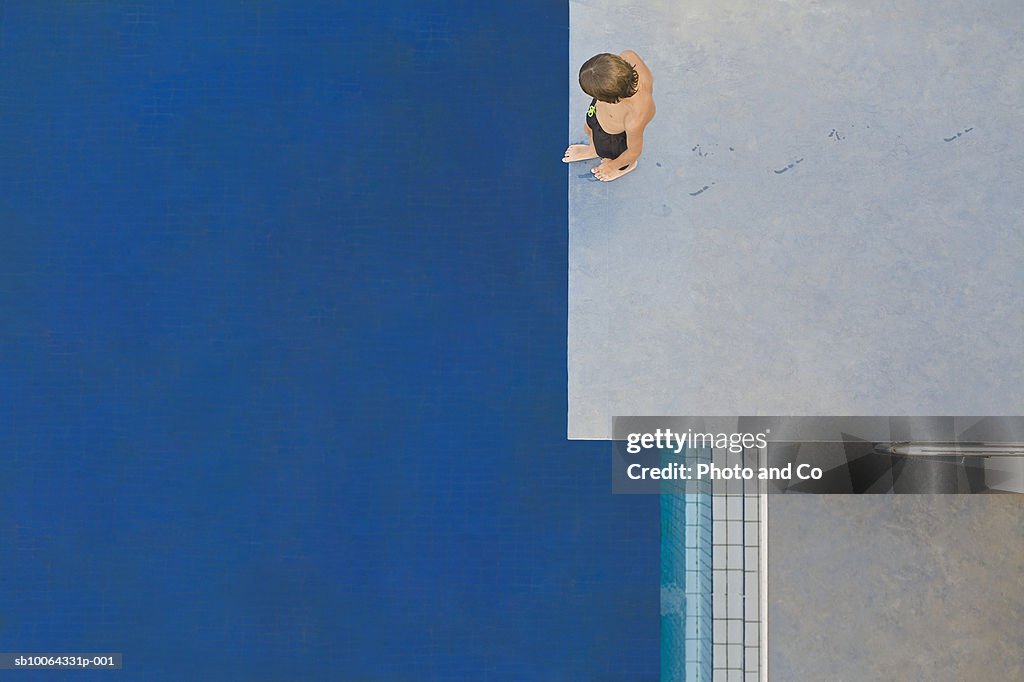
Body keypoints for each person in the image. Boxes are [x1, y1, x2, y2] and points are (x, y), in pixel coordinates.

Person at [563, 51, 656, 181]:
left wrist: (612, 166)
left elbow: (634, 151)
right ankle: (593, 149)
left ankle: (626, 167)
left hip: (612, 136)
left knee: (610, 153)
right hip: (598, 114)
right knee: (589, 128)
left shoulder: (635, 117)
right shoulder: (628, 57)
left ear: (613, 100)